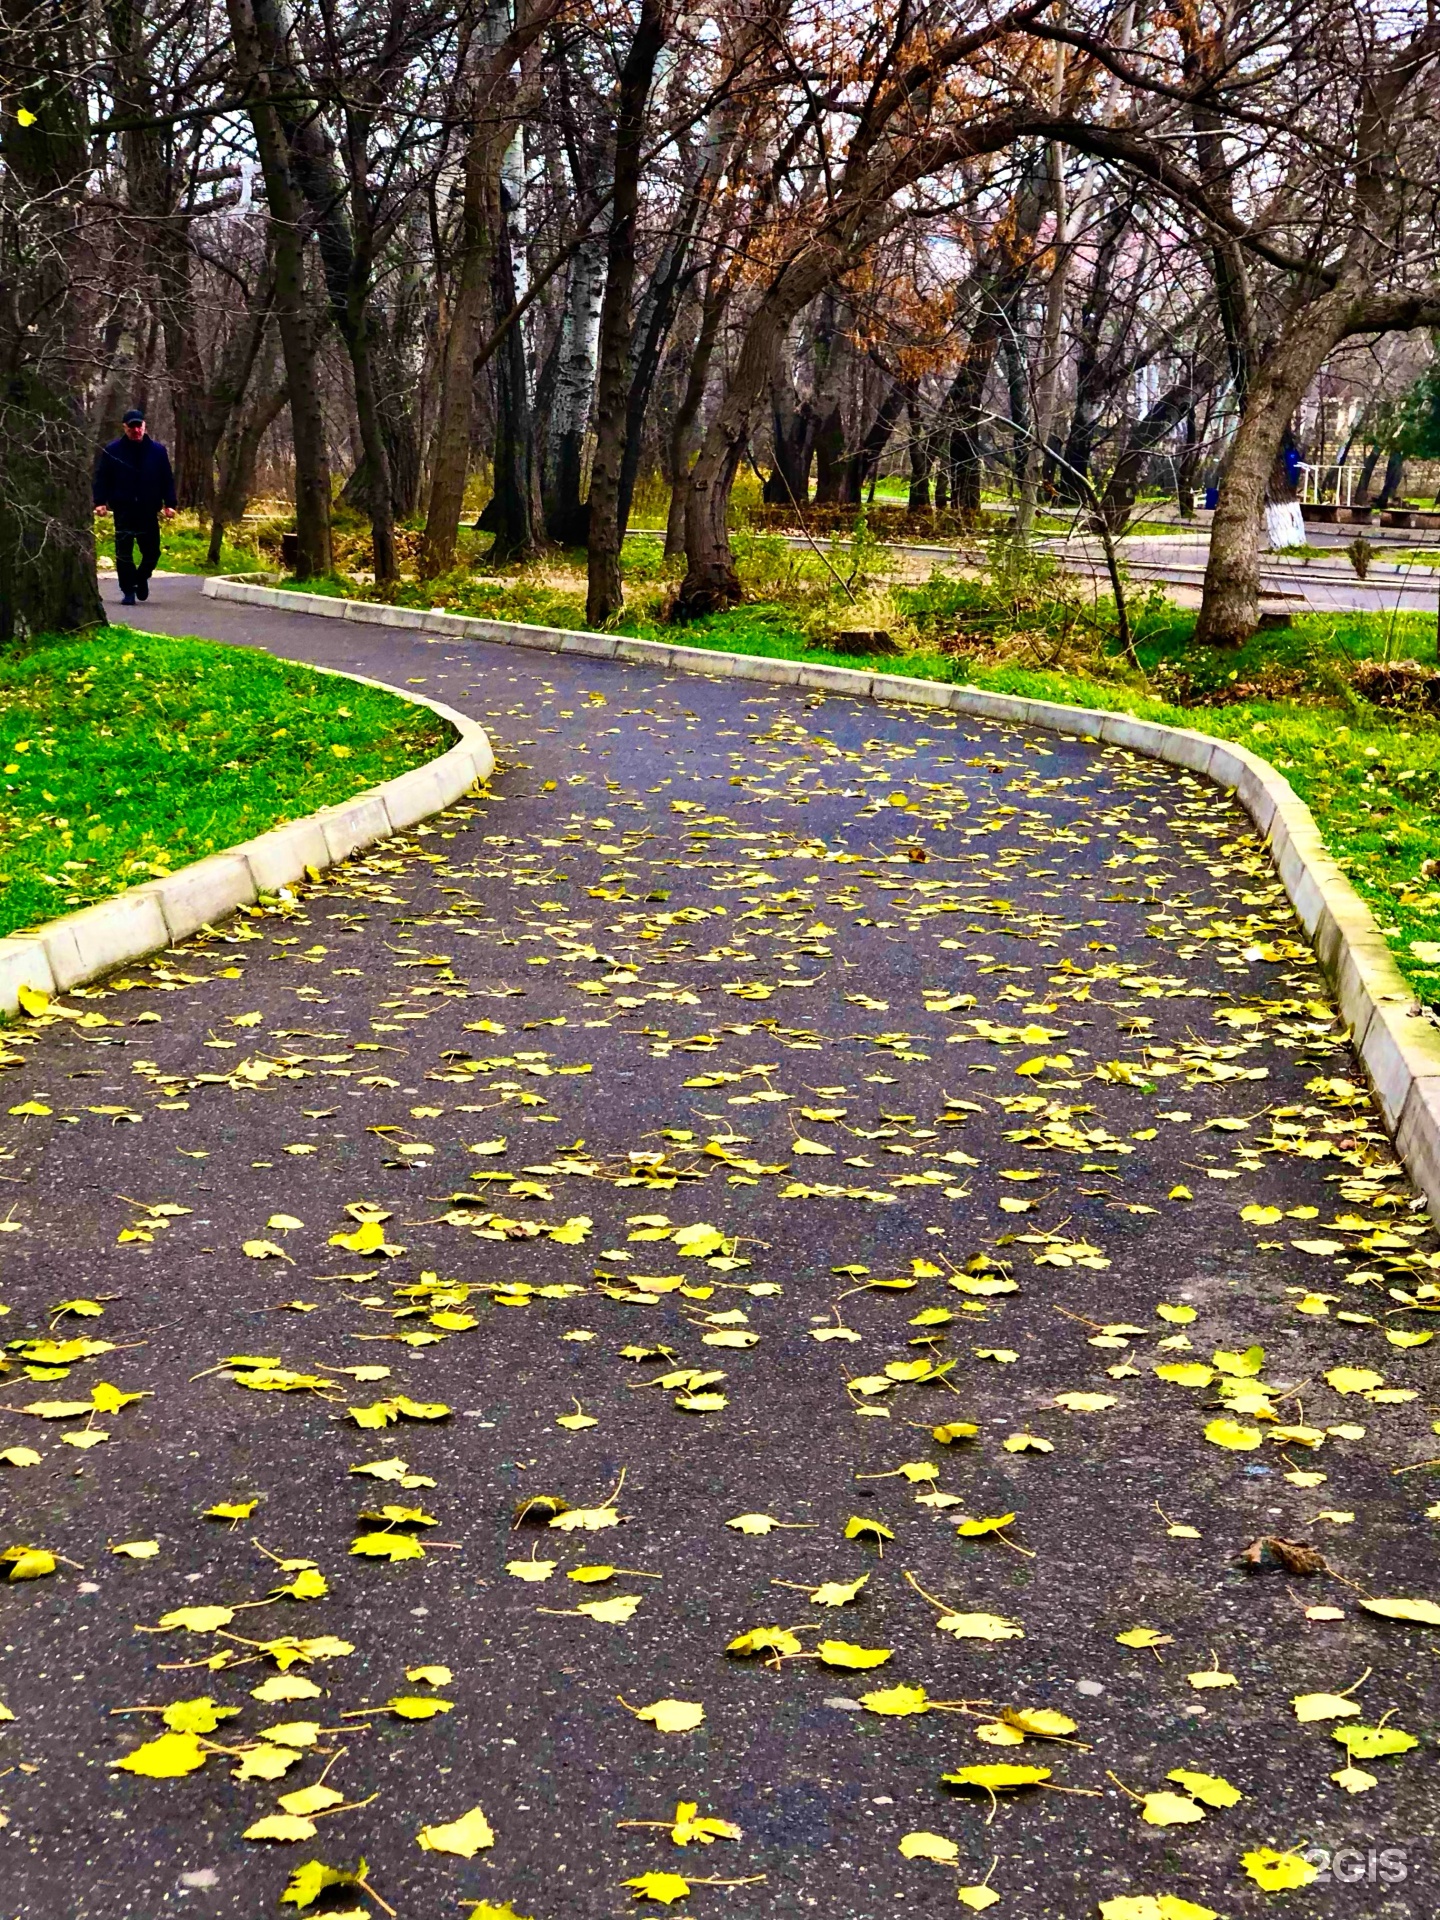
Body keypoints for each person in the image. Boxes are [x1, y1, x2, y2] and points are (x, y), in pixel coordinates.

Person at [93, 409, 177, 605]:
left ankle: (141, 578)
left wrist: (170, 504)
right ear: (125, 428)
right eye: (132, 427)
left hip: (148, 509)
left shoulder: (157, 451)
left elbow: (167, 479)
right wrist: (99, 501)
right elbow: (102, 477)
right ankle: (128, 590)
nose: (136, 430)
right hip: (124, 508)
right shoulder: (113, 450)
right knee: (124, 552)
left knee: (152, 552)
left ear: (144, 426)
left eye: (139, 426)